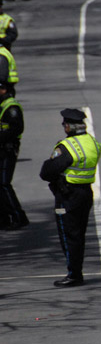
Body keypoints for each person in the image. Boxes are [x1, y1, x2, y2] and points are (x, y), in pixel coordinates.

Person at [39, 109, 101, 288]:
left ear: (69, 126)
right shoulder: (93, 143)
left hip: (68, 195)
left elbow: (46, 172)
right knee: (79, 234)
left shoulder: (67, 147)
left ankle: (74, 274)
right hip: (85, 194)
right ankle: (76, 271)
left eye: (64, 124)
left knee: (68, 235)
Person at [0, 77, 27, 230]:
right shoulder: (2, 104)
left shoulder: (11, 107)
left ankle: (18, 216)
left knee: (3, 184)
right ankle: (4, 218)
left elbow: (16, 129)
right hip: (2, 148)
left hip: (7, 149)